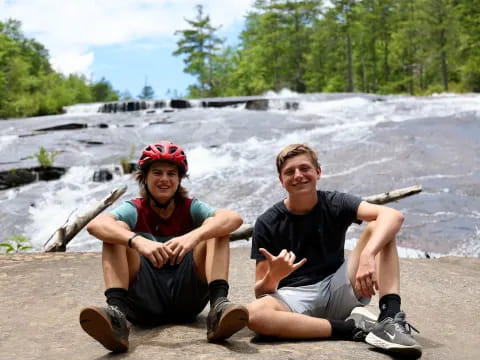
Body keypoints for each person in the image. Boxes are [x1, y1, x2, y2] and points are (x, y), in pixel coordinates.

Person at [247, 144, 422, 358]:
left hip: (338, 287)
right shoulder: (267, 222)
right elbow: (261, 292)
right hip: (294, 300)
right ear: (281, 180)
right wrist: (274, 276)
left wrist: (368, 256)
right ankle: (352, 328)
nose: (298, 175)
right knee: (255, 315)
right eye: (289, 172)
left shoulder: (335, 202)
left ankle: (389, 318)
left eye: (305, 168)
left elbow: (393, 215)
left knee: (381, 226)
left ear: (318, 172)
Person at [79, 141, 249, 353]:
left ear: (179, 179)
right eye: (157, 173)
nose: (164, 180)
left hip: (187, 298)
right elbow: (96, 225)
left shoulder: (190, 207)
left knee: (215, 228)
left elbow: (233, 218)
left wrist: (194, 236)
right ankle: (116, 316)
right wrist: (138, 241)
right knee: (116, 231)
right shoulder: (135, 208)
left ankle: (219, 308)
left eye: (171, 174)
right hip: (143, 303)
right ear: (144, 178)